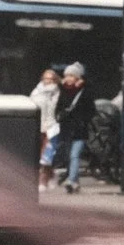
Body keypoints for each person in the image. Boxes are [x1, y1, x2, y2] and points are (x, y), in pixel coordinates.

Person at [53, 62, 96, 194]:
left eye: (71, 75)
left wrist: (83, 120)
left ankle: (71, 181)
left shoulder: (85, 91)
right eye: (67, 75)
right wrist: (59, 116)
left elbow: (91, 110)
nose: (68, 78)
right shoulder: (63, 90)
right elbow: (58, 107)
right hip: (66, 128)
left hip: (79, 129)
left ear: (77, 77)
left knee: (74, 155)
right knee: (69, 156)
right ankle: (75, 183)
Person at [30, 66, 61, 190]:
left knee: (46, 155)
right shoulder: (36, 91)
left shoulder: (58, 92)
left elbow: (56, 108)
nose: (48, 81)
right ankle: (52, 175)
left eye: (51, 78)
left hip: (52, 126)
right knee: (40, 154)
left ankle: (42, 181)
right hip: (39, 125)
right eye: (46, 78)